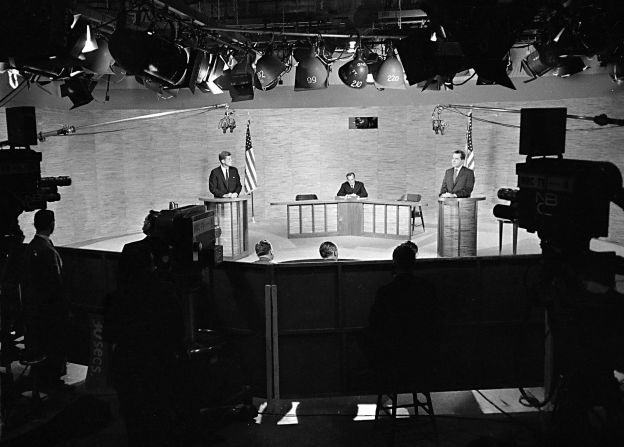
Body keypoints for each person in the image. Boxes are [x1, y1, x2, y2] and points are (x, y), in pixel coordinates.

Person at [365, 242, 441, 386]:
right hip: (423, 351)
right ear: (414, 263)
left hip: (394, 353)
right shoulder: (427, 288)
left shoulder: (386, 291)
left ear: (394, 263)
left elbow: (374, 322)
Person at [21, 209, 69, 390]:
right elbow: (56, 283)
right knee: (53, 346)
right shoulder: (47, 251)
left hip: (36, 309)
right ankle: (53, 382)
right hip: (51, 311)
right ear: (52, 224)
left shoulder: (32, 248)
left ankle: (44, 380)